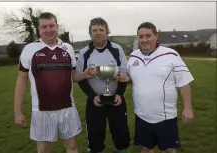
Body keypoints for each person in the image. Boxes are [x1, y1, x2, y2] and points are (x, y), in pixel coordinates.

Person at [14, 12, 96, 153]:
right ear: (39, 29)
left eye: (51, 25)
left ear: (57, 27)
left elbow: (73, 76)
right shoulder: (29, 50)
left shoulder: (68, 49)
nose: (48, 30)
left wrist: (85, 74)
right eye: (44, 26)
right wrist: (17, 111)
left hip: (67, 108)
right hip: (41, 110)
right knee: (44, 149)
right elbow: (21, 80)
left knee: (72, 146)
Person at [118, 22, 194, 153]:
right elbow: (134, 79)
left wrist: (188, 109)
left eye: (148, 35)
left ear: (156, 36)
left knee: (168, 150)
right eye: (141, 37)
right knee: (145, 148)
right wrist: (127, 79)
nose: (144, 40)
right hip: (141, 114)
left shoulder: (171, 55)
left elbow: (184, 83)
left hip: (165, 116)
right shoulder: (134, 56)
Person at [76, 17, 131, 153]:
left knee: (122, 138)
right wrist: (92, 96)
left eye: (101, 29)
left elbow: (123, 75)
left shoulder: (117, 49)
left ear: (107, 32)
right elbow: (81, 78)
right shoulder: (84, 53)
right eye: (94, 30)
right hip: (94, 103)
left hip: (116, 101)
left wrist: (119, 94)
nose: (98, 32)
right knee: (95, 141)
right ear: (90, 33)